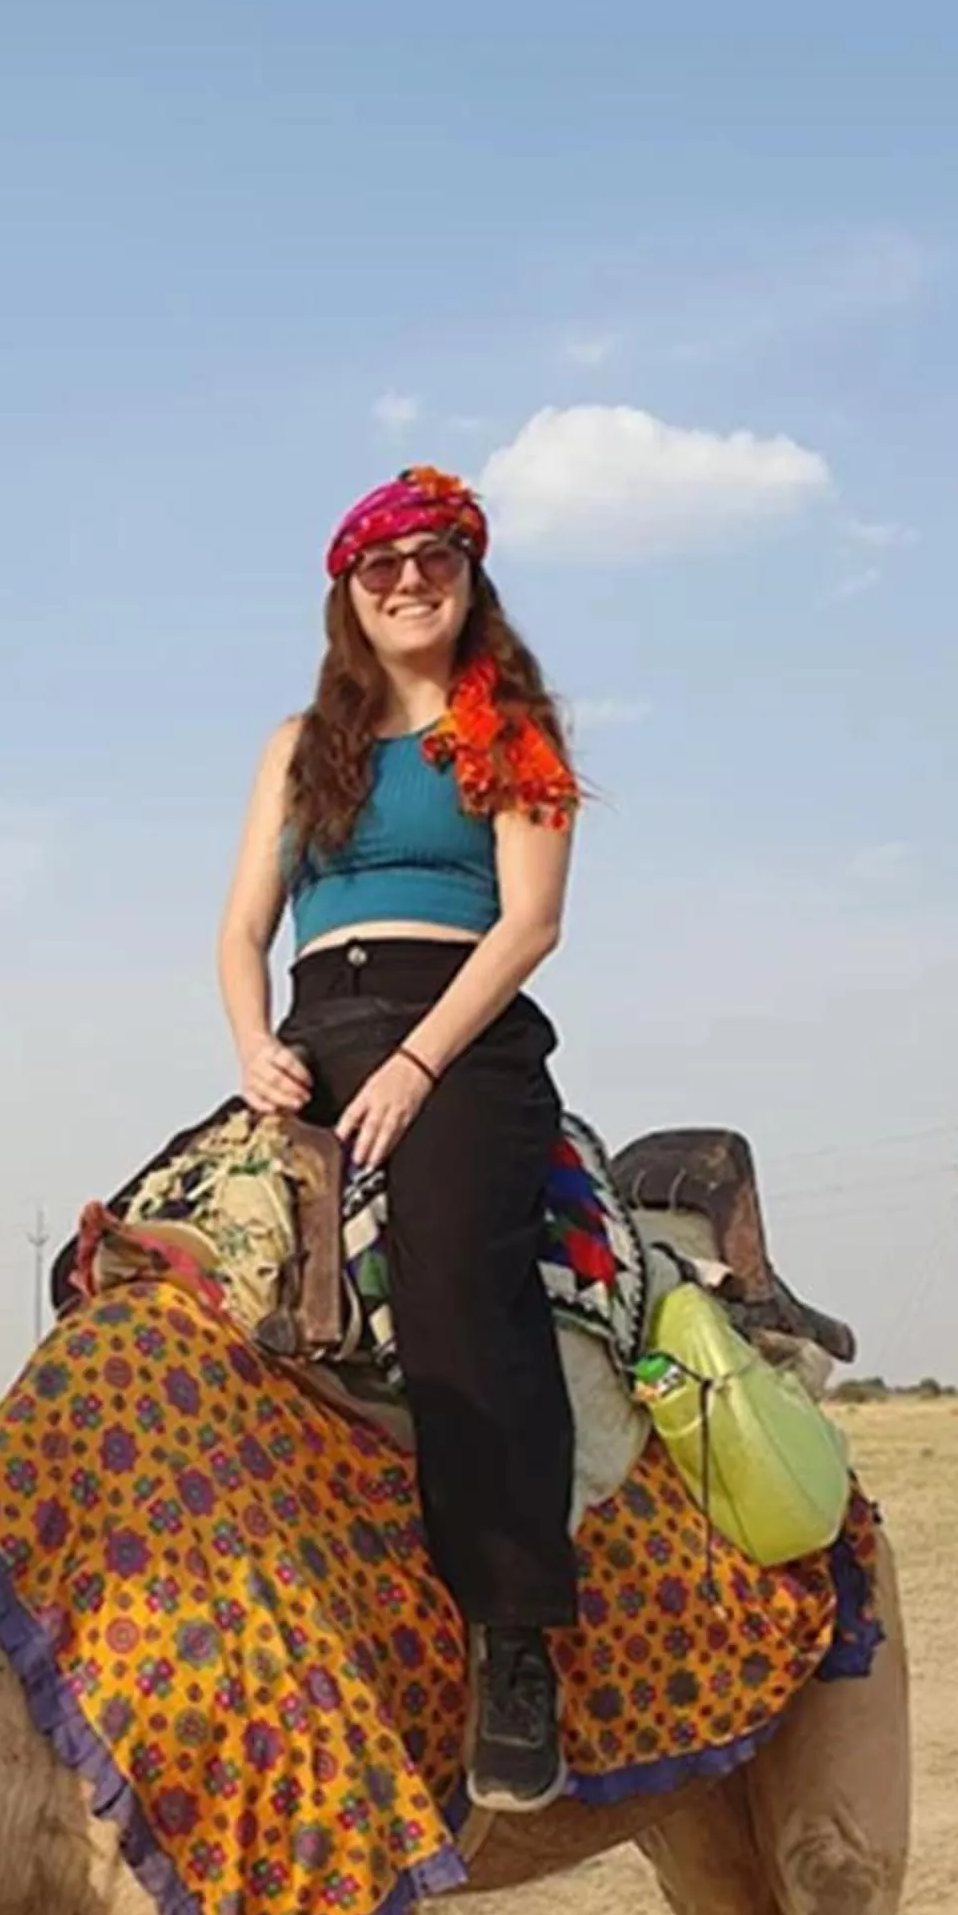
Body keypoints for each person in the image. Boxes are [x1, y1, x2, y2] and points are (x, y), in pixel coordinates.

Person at [216, 465, 581, 1811]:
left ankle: (514, 1638)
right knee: (138, 1264)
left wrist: (423, 1063)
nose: (408, 581)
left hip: (460, 1028)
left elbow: (531, 923)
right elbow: (240, 925)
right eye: (381, 567)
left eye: (433, 558)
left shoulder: (512, 734)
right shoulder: (294, 743)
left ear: (471, 576)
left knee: (450, 1285)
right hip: (314, 1030)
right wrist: (253, 1042)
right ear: (347, 597)